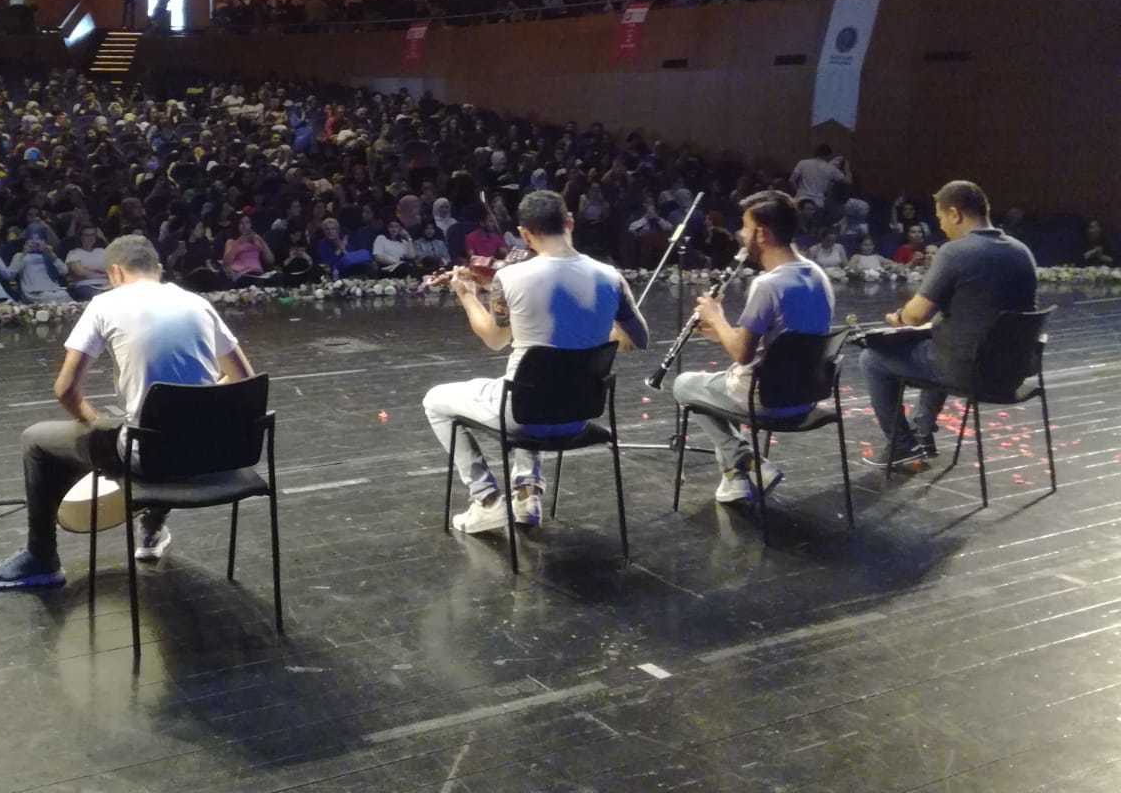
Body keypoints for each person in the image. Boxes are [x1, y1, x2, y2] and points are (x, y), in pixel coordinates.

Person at [0, 235, 253, 589]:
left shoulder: (105, 304)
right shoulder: (197, 303)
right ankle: (151, 529)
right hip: (213, 454)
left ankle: (41, 557)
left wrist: (94, 422)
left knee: (38, 440)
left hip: (152, 456)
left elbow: (65, 390)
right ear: (158, 270)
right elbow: (243, 377)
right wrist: (200, 401)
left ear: (116, 273)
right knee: (163, 423)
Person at [422, 190, 648, 534]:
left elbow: (495, 339)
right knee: (543, 382)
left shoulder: (510, 278)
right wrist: (598, 329)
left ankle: (487, 499)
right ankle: (527, 495)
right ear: (569, 222)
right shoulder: (611, 277)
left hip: (523, 414)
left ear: (525, 234)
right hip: (578, 415)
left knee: (436, 400)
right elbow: (639, 337)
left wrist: (467, 295)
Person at [671, 190, 834, 504]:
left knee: (684, 385)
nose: (741, 235)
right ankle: (735, 480)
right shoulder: (818, 276)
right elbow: (784, 341)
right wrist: (722, 333)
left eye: (745, 228)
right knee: (718, 387)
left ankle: (746, 461)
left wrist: (716, 317)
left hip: (766, 398)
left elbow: (742, 354)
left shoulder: (768, 285)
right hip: (805, 395)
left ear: (762, 233)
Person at [861, 180, 1037, 467]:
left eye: (941, 217)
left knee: (872, 359)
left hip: (971, 372)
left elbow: (916, 315)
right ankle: (922, 431)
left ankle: (902, 446)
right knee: (941, 343)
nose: (941, 226)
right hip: (1013, 372)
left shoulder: (955, 252)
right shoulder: (1022, 251)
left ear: (955, 214)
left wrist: (899, 318)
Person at [8, 234, 72, 304]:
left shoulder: (49, 255)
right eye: (32, 240)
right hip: (34, 291)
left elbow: (64, 271)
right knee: (48, 297)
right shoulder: (20, 255)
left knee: (65, 296)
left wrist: (52, 255)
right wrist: (24, 253)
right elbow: (11, 275)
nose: (35, 242)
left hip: (53, 289)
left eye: (39, 239)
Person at [65, 225, 112, 300]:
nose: (90, 238)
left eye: (93, 235)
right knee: (102, 298)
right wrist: (103, 273)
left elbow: (114, 269)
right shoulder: (74, 253)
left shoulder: (102, 251)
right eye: (87, 235)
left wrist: (89, 269)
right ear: (81, 237)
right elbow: (80, 272)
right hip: (86, 285)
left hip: (108, 285)